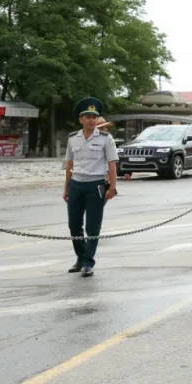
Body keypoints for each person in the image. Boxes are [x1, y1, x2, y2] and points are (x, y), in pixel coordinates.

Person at [63, 98, 119, 277]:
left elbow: (112, 164)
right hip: (76, 185)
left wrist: (112, 187)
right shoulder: (73, 138)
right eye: (87, 117)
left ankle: (88, 262)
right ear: (81, 120)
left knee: (93, 226)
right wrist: (66, 188)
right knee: (74, 225)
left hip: (96, 185)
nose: (91, 120)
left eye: (94, 117)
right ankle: (80, 258)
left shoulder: (105, 139)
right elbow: (69, 164)